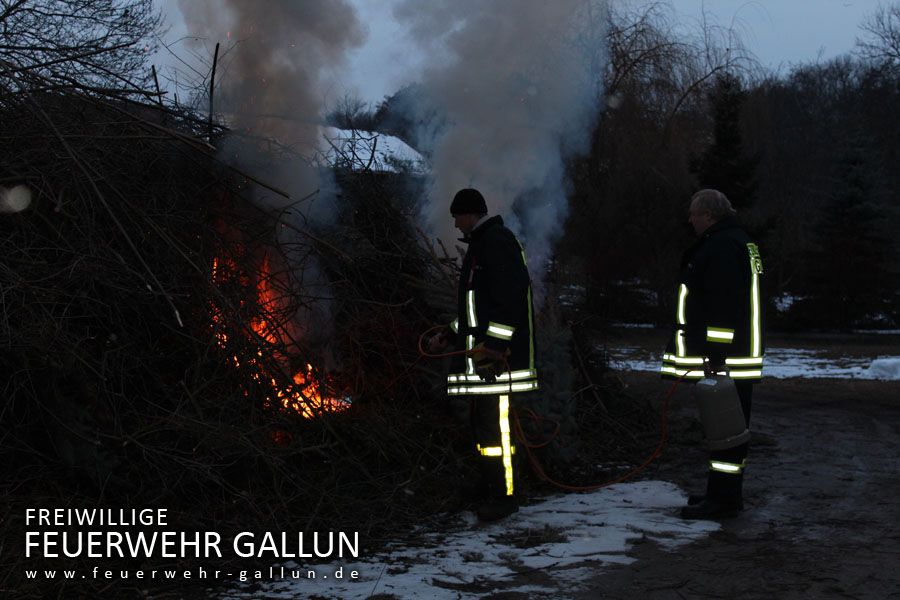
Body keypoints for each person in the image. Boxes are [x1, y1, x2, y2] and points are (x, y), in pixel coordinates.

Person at [428, 188, 539, 522]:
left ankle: (505, 497)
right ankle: (490, 484)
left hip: (498, 363)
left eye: (457, 218)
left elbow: (510, 301)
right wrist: (449, 334)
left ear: (470, 214)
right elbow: (475, 311)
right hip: (483, 361)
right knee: (484, 430)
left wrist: (496, 346)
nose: (455, 225)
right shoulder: (481, 246)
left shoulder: (496, 242)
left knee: (497, 431)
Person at [661, 189, 764, 520]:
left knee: (727, 429)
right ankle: (722, 493)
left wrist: (716, 353)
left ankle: (724, 500)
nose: (690, 220)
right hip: (736, 355)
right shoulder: (736, 241)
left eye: (694, 214)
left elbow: (723, 305)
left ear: (708, 214)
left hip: (726, 358)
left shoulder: (722, 246)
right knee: (727, 427)